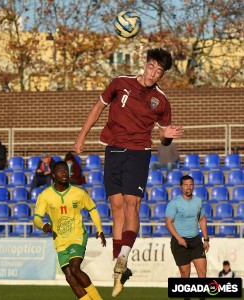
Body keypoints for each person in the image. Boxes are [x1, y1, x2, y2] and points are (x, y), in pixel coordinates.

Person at [74, 48, 184, 297]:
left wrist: (165, 138)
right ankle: (119, 268)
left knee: (131, 204)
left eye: (159, 71)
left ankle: (123, 257)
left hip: (139, 151)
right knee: (116, 207)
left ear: (162, 75)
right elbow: (97, 108)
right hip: (113, 149)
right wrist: (81, 136)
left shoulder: (162, 101)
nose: (153, 73)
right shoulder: (120, 83)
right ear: (144, 64)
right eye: (152, 67)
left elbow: (164, 138)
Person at [33, 161, 106, 300]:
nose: (64, 173)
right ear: (53, 175)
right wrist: (43, 225)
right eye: (60, 171)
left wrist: (99, 229)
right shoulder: (45, 195)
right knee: (69, 276)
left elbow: (92, 209)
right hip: (60, 241)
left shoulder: (78, 193)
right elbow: (36, 218)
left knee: (74, 268)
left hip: (77, 236)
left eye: (66, 170)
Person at [165, 175, 209, 300]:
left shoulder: (198, 201)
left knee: (202, 273)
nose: (188, 187)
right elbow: (168, 223)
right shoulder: (174, 203)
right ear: (181, 187)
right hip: (180, 242)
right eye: (185, 185)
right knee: (185, 275)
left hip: (195, 240)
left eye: (190, 184)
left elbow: (202, 219)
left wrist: (206, 239)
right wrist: (179, 238)